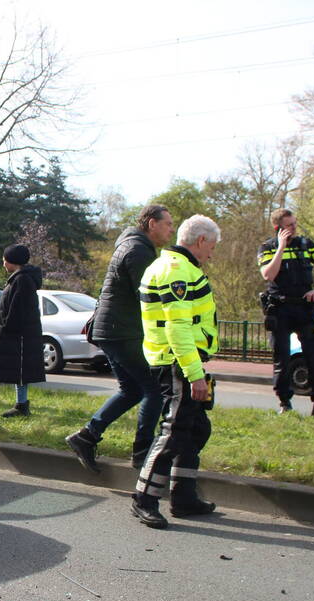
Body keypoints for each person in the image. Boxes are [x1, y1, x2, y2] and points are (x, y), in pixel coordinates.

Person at [65, 205, 174, 473]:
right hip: (121, 330)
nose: (171, 229)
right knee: (154, 390)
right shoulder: (138, 251)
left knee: (132, 390)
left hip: (112, 330)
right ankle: (142, 455)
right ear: (151, 223)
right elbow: (149, 298)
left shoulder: (132, 246)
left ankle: (86, 437)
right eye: (168, 224)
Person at [132, 215, 221, 529]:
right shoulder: (176, 271)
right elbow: (178, 327)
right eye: (212, 246)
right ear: (200, 241)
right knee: (173, 433)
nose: (212, 253)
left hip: (180, 361)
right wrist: (194, 374)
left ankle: (183, 496)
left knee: (196, 430)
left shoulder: (175, 266)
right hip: (178, 362)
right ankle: (144, 498)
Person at [259, 209, 314, 417]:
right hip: (280, 309)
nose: (294, 228)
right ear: (278, 228)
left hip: (305, 308)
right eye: (289, 225)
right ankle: (285, 403)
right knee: (282, 359)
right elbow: (268, 274)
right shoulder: (268, 247)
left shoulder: (306, 244)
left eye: (295, 223)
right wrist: (281, 247)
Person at [0, 245, 45, 417]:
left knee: (20, 371)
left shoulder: (22, 281)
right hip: (20, 334)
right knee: (19, 371)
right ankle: (21, 403)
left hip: (19, 336)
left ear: (13, 261)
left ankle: (22, 405)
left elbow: (16, 311)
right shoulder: (19, 279)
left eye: (5, 259)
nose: (3, 263)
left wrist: (5, 329)